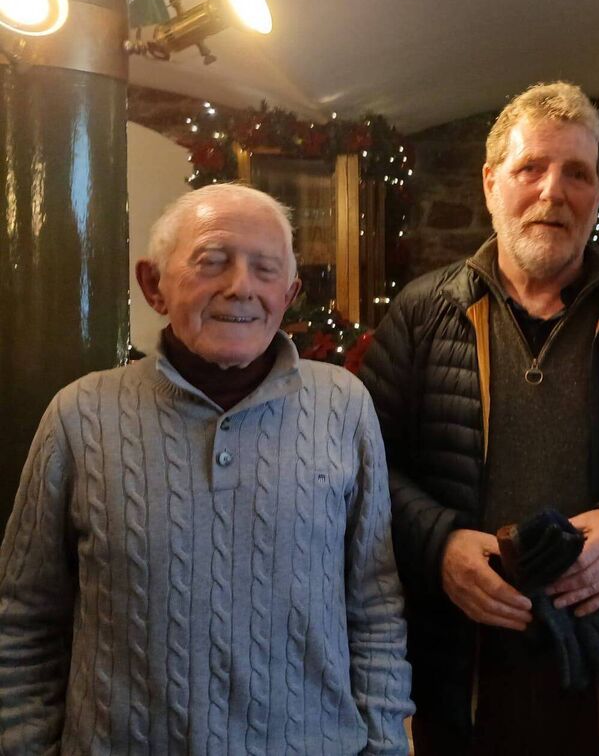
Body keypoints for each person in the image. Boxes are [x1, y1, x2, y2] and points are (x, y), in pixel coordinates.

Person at [0, 184, 412, 753]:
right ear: (154, 286)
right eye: (212, 261)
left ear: (289, 293)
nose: (241, 286)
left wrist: (385, 745)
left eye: (265, 269)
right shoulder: (79, 415)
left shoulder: (343, 406)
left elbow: (375, 606)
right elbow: (22, 620)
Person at [360, 81, 599, 755]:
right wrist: (438, 545)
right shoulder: (422, 314)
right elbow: (370, 465)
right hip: (462, 669)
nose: (553, 191)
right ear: (491, 183)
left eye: (577, 173)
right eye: (531, 169)